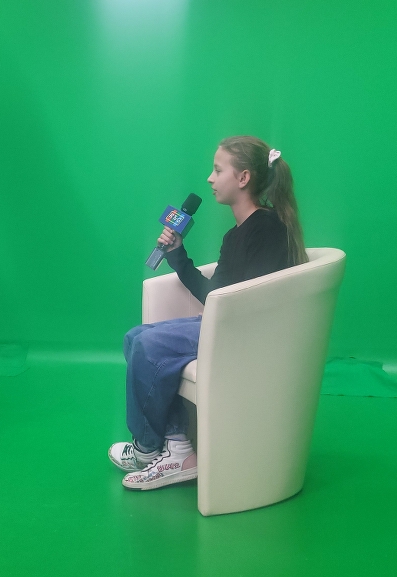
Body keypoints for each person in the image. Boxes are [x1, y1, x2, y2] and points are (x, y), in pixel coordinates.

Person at [109, 135, 308, 490]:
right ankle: (176, 447)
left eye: (218, 170)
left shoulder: (267, 228)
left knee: (149, 345)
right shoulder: (235, 236)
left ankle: (147, 448)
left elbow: (251, 300)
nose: (210, 178)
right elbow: (214, 294)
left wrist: (217, 311)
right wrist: (178, 255)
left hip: (243, 332)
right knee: (135, 337)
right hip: (223, 322)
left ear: (243, 178)